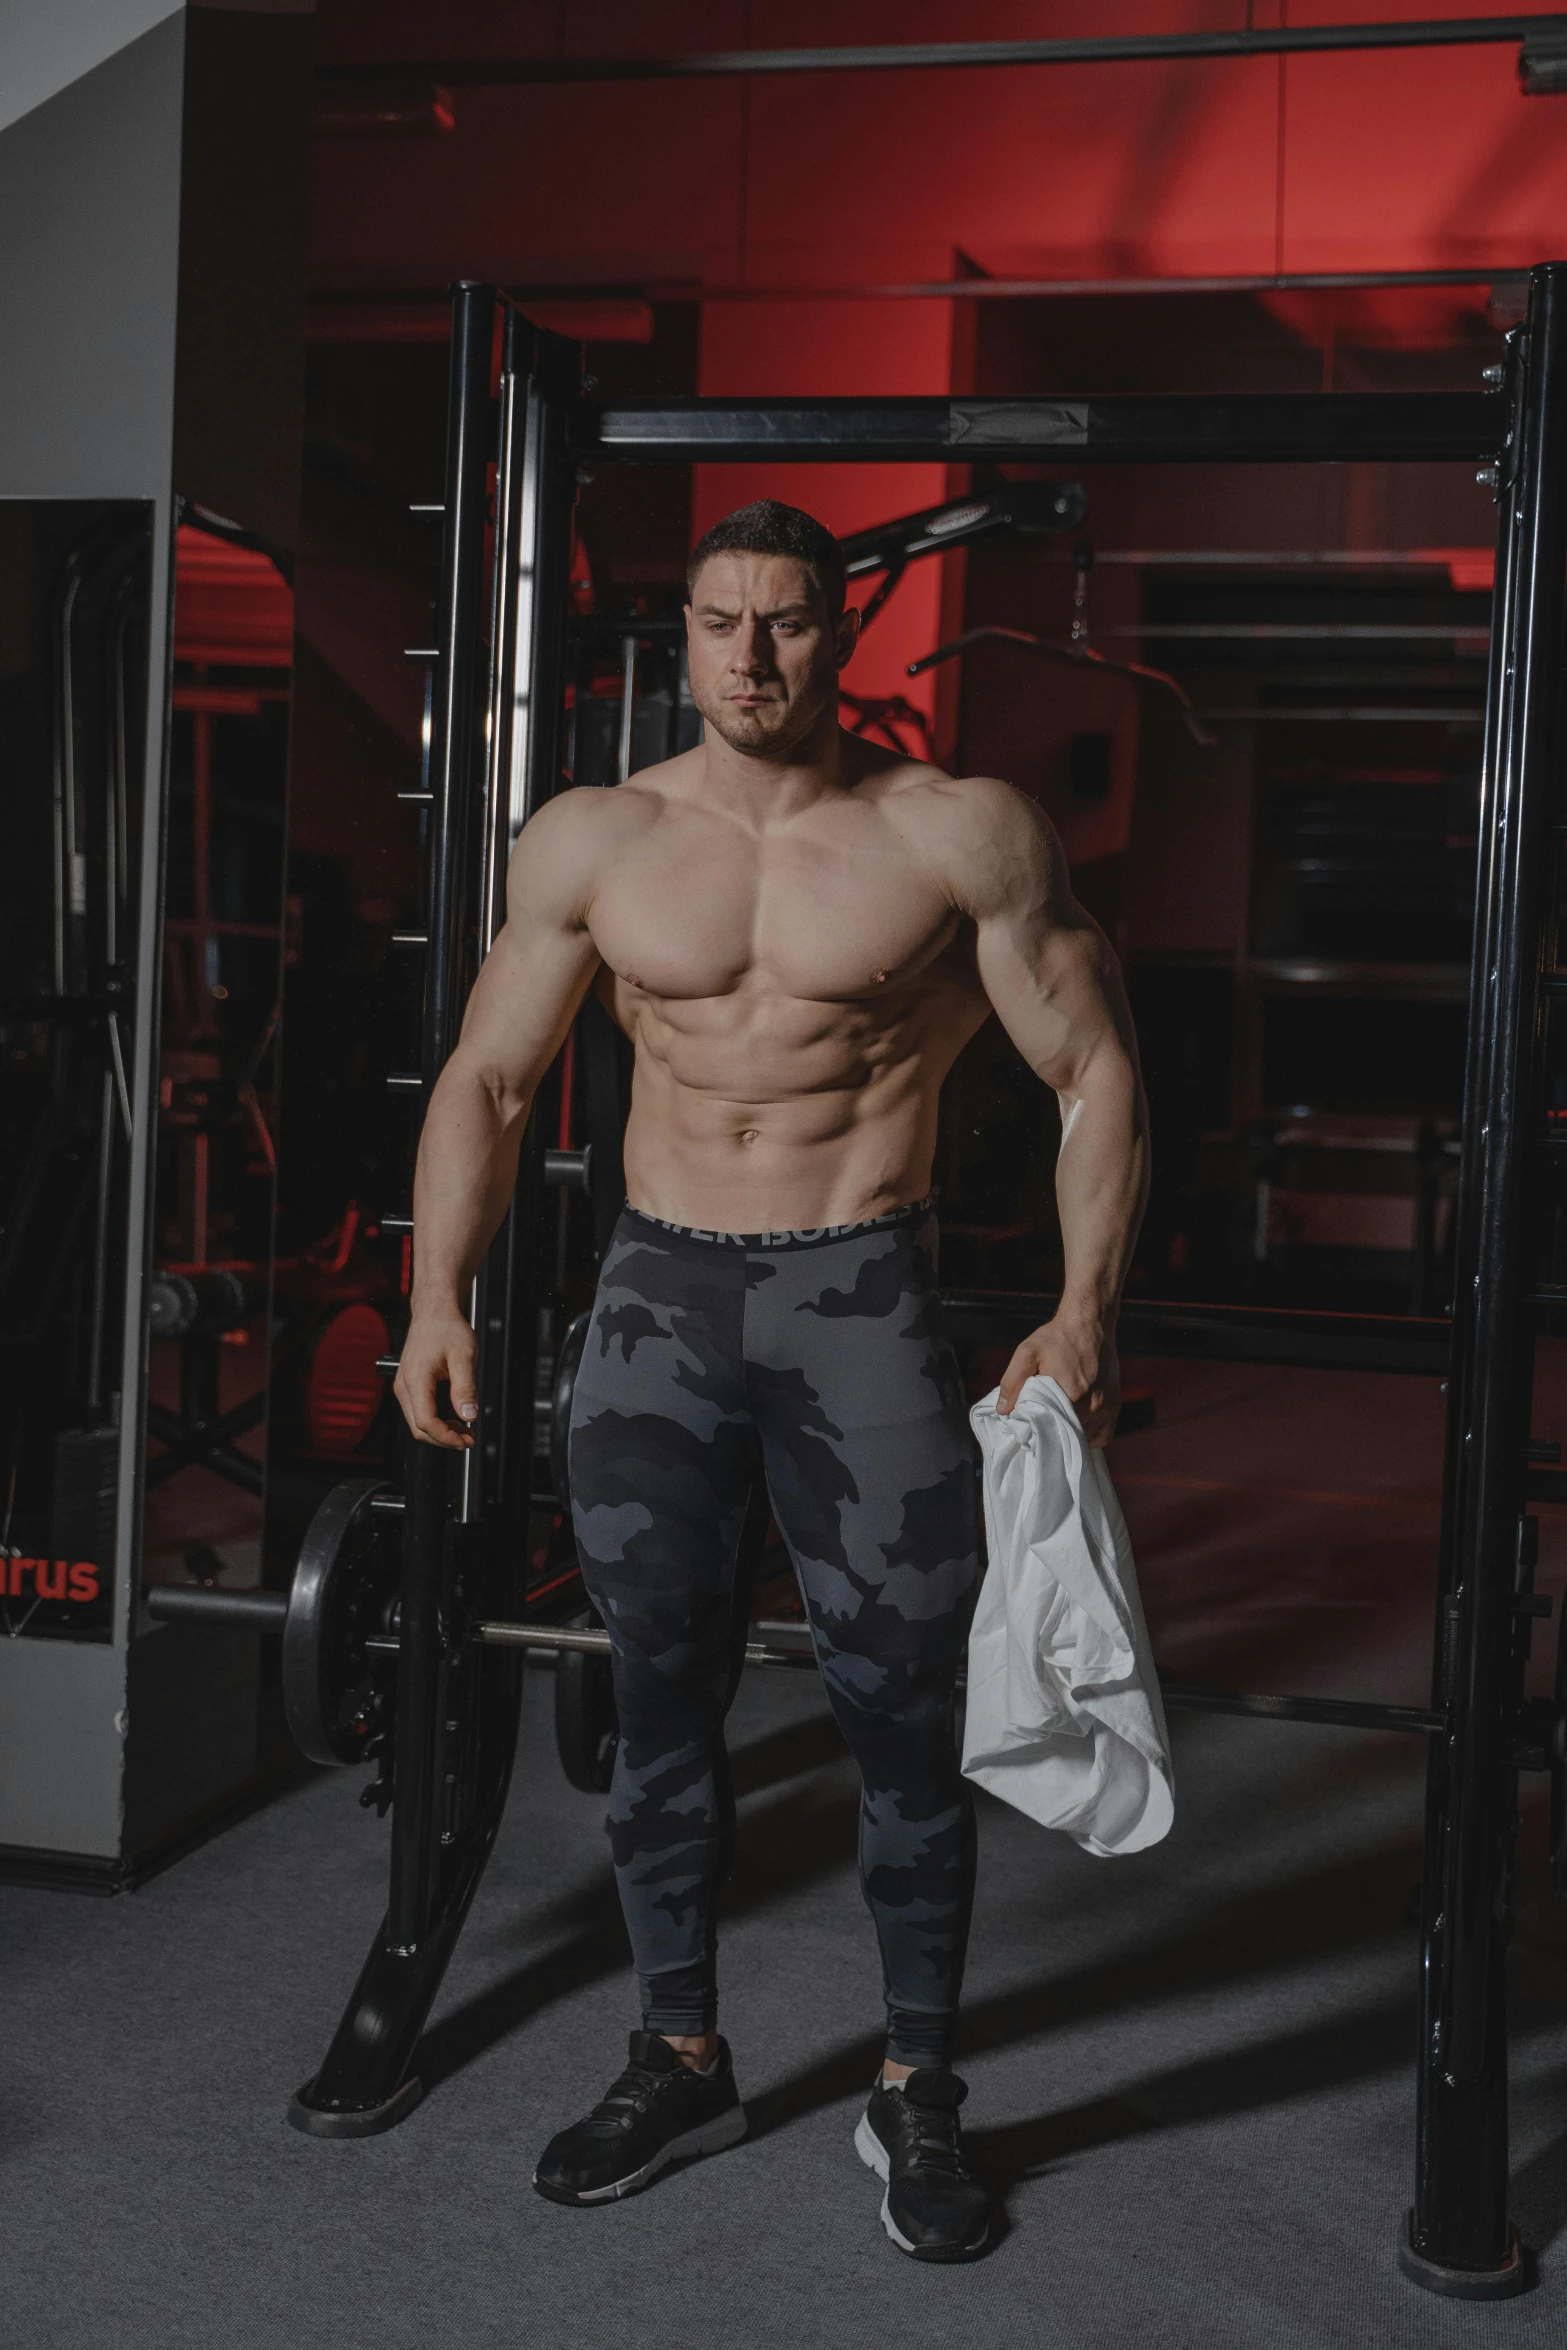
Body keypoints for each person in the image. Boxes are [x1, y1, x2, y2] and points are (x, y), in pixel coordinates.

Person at [393, 498, 1148, 2261]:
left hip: (856, 1293)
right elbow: (489, 1078)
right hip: (656, 1295)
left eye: (788, 621)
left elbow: (1091, 1067)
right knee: (657, 1695)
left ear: (840, 638)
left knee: (899, 1708)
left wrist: (1086, 1306)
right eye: (721, 619)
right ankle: (678, 2050)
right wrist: (434, 1292)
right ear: (684, 631)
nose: (750, 653)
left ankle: (915, 2080)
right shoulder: (595, 835)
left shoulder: (955, 831)